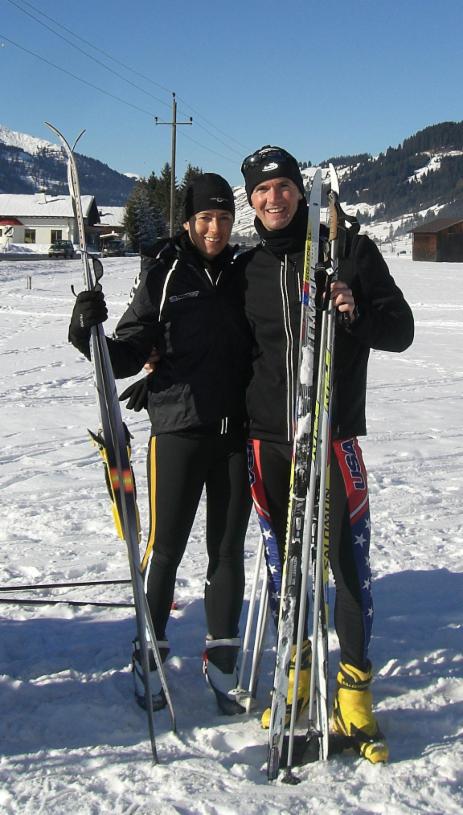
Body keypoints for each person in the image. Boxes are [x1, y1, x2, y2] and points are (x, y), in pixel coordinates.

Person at [238, 146, 414, 762]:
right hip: (270, 440)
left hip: (333, 435)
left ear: (300, 193)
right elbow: (215, 344)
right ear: (251, 200)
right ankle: (296, 680)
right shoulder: (248, 267)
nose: (274, 199)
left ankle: (354, 697)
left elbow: (401, 329)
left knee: (346, 565)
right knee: (287, 569)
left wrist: (355, 311)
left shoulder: (351, 253)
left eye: (284, 187)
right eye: (262, 191)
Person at [68, 173, 252, 716]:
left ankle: (223, 664)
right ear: (189, 221)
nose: (215, 229)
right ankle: (148, 655)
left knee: (227, 551)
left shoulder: (245, 272)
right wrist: (88, 335)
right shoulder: (166, 271)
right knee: (165, 548)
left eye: (224, 218)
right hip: (178, 428)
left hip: (236, 433)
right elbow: (131, 349)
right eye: (205, 218)